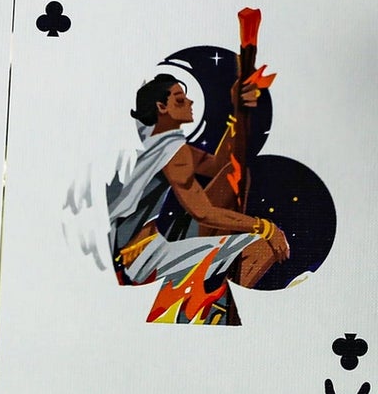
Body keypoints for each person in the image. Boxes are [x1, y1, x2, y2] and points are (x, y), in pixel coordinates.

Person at [106, 74, 291, 325]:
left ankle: (207, 296)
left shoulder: (160, 142)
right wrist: (266, 228)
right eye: (180, 99)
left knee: (232, 176)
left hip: (133, 250)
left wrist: (237, 113)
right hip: (138, 262)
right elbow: (203, 213)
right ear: (161, 107)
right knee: (262, 246)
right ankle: (209, 311)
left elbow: (220, 166)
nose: (190, 102)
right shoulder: (172, 151)